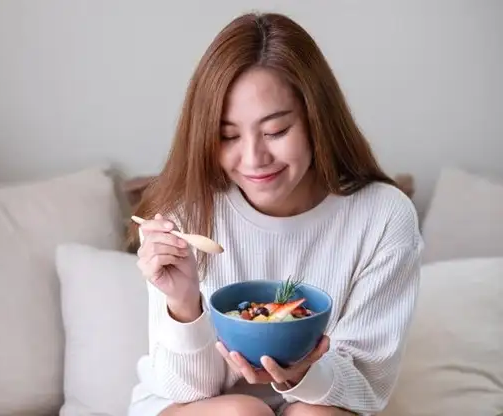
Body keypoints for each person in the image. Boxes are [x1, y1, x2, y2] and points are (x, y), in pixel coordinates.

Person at [127, 11, 423, 416]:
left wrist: (304, 374)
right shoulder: (183, 215)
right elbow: (185, 390)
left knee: (311, 413)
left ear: (316, 120)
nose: (254, 159)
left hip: (322, 405)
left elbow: (366, 388)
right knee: (242, 413)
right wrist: (183, 303)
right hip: (193, 406)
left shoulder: (384, 217)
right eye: (228, 136)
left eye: (276, 131)